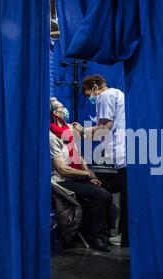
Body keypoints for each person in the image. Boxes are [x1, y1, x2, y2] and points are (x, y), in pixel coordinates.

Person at [49, 97, 113, 252]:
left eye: (64, 106)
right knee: (100, 194)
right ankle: (96, 237)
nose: (64, 110)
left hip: (76, 176)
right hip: (61, 180)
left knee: (106, 191)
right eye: (60, 107)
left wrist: (90, 175)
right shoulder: (51, 136)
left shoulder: (69, 130)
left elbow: (78, 155)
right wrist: (86, 174)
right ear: (53, 113)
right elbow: (62, 169)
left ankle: (98, 233)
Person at [73, 75, 129, 247]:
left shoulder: (104, 96)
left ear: (96, 87)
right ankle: (121, 234)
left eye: (89, 93)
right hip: (124, 151)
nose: (90, 98)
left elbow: (104, 129)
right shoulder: (118, 93)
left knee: (110, 190)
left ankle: (117, 236)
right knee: (125, 195)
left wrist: (82, 131)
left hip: (119, 153)